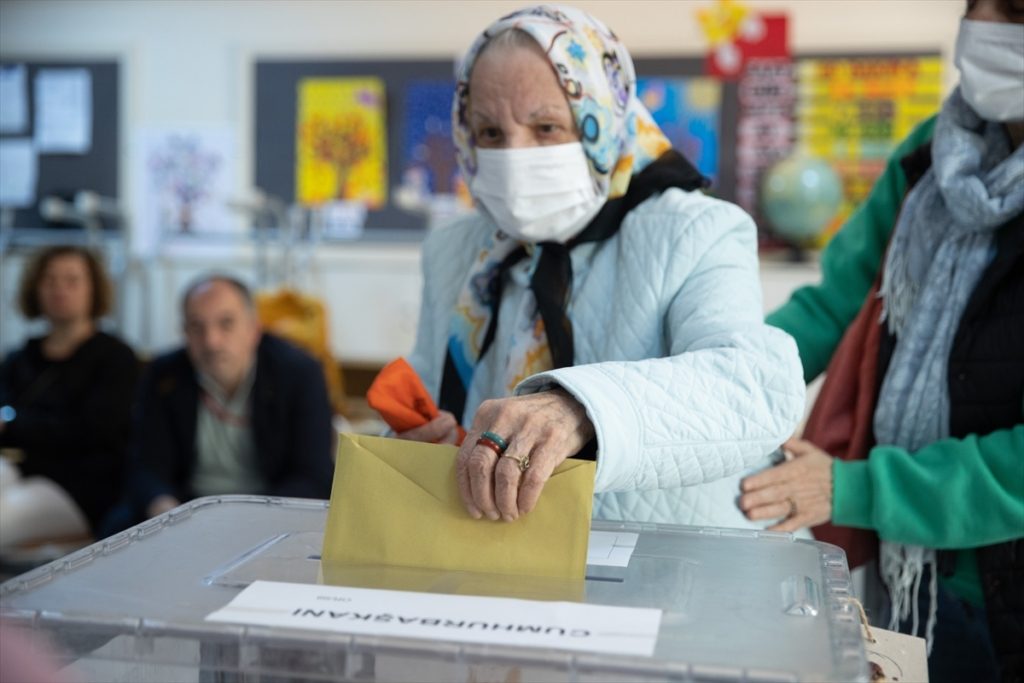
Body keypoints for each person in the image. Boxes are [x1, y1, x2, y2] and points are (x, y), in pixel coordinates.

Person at [399, 5, 804, 529]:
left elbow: (750, 387)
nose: (516, 155)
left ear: (604, 122)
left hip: (669, 556)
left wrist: (583, 408)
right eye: (490, 133)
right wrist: (412, 441)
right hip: (499, 554)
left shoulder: (695, 229)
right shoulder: (453, 250)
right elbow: (430, 394)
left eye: (546, 126)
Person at [739, 1, 1023, 680]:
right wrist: (722, 381)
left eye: (1015, 11)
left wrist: (857, 488)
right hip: (913, 579)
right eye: (982, 7)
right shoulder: (931, 153)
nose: (989, 27)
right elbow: (835, 303)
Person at [123, 275, 334, 523]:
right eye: (196, 327)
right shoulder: (164, 376)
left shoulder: (299, 373)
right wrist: (164, 508)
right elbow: (146, 466)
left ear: (254, 329)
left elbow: (313, 475)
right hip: (185, 512)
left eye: (226, 324)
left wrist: (246, 520)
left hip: (270, 512)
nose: (211, 341)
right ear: (185, 332)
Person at [0, 246, 138, 548]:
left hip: (80, 487)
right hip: (18, 469)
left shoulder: (115, 358)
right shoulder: (20, 357)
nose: (59, 289)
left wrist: (14, 426)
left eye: (72, 280)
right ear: (35, 288)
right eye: (50, 280)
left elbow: (93, 431)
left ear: (93, 289)